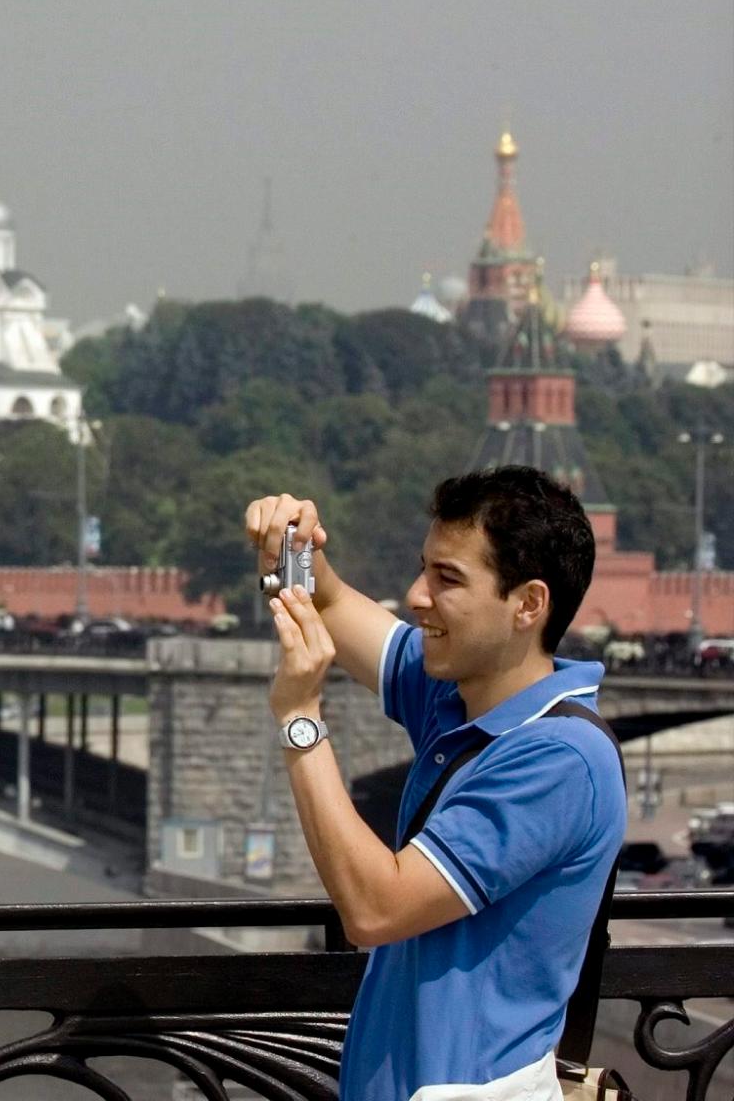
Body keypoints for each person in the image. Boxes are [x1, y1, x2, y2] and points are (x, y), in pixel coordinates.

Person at [246, 465, 626, 1101]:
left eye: (447, 579)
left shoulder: (559, 759)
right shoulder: (459, 696)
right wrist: (293, 549)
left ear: (529, 604)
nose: (416, 595)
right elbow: (334, 604)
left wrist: (300, 720)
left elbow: (375, 909)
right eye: (425, 568)